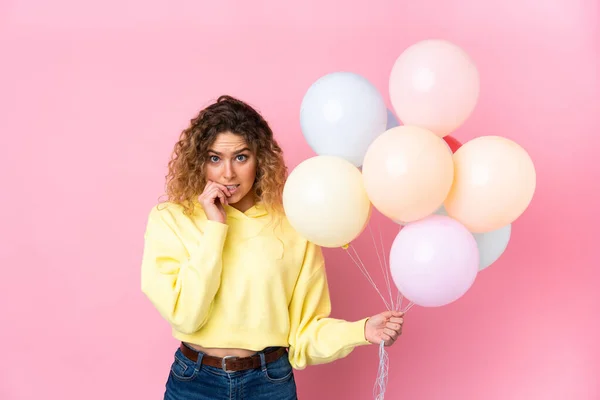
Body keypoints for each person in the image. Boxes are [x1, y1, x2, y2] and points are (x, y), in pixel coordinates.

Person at [141, 95, 404, 400]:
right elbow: (187, 316)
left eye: (241, 157)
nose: (227, 174)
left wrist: (362, 331)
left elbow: (305, 333)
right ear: (199, 162)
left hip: (268, 383)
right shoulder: (171, 219)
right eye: (215, 158)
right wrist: (216, 228)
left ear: (260, 159)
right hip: (195, 382)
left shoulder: (293, 224)